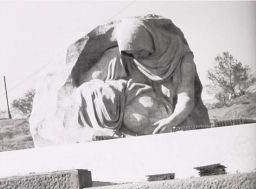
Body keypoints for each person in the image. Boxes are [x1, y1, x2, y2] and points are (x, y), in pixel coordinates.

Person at [75, 15, 210, 137]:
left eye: (139, 51)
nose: (136, 57)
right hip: (136, 112)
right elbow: (87, 81)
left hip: (166, 116)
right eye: (131, 54)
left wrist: (171, 121)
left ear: (147, 40)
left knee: (135, 117)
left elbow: (186, 97)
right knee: (91, 91)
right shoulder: (123, 56)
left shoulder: (181, 56)